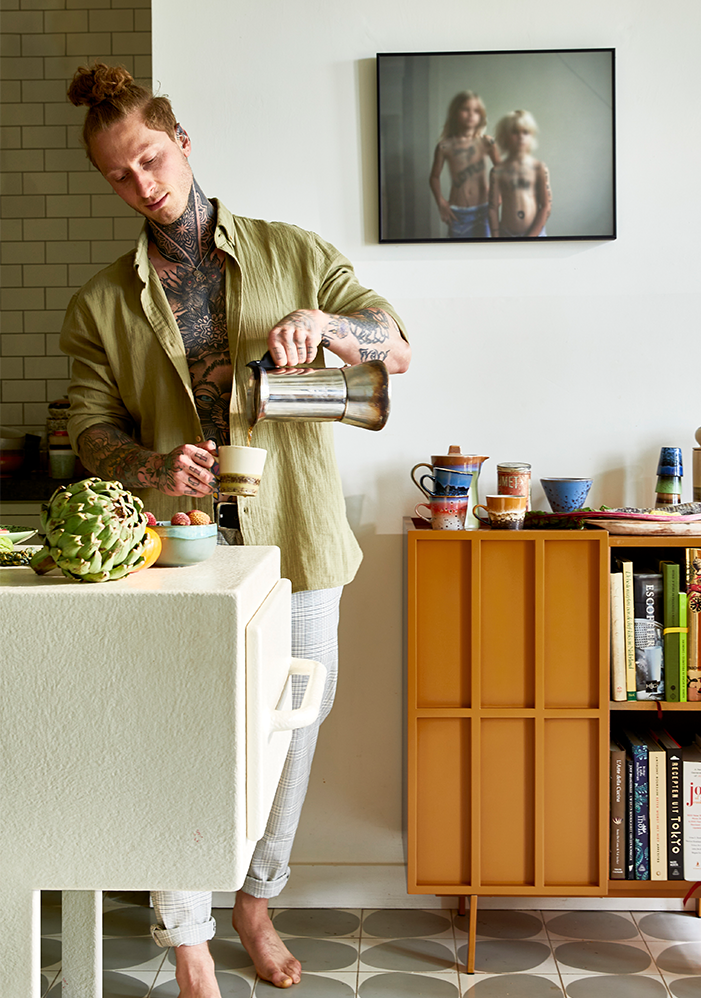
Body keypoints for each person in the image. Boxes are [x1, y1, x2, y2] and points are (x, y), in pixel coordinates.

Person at [62, 63, 410, 996]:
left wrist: (326, 323)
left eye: (149, 158)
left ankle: (256, 901)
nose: (142, 184)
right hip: (179, 548)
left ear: (181, 142)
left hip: (299, 535)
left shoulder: (294, 251)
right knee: (177, 729)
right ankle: (186, 935)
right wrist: (148, 467)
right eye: (119, 175)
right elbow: (88, 426)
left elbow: (396, 346)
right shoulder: (100, 302)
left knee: (294, 724)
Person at [428, 90, 499, 238]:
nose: (471, 114)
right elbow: (434, 177)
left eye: (476, 111)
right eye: (466, 109)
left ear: (481, 115)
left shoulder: (487, 142)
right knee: (459, 251)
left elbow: (503, 170)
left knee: (486, 251)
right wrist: (441, 202)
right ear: (455, 113)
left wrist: (499, 195)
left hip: (485, 209)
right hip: (458, 213)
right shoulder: (444, 146)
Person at [488, 109, 552, 238]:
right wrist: (496, 237)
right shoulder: (497, 171)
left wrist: (531, 238)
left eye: (525, 132)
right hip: (506, 235)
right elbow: (493, 208)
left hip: (535, 235)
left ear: (531, 136)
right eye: (515, 132)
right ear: (505, 136)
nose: (521, 136)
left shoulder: (539, 168)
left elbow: (546, 206)